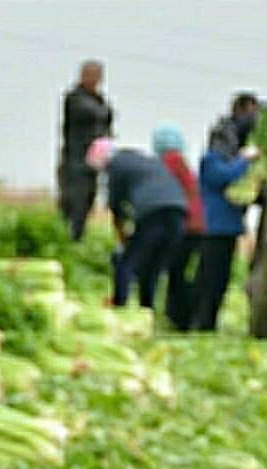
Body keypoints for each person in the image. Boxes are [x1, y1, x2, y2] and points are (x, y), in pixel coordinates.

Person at [86, 137, 187, 309]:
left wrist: (121, 234)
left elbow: (116, 202)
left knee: (127, 261)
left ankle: (119, 303)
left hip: (153, 212)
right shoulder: (141, 159)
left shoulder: (116, 165)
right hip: (178, 210)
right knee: (152, 265)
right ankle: (147, 308)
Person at [190, 95, 260, 332]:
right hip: (213, 227)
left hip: (228, 228)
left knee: (220, 279)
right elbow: (224, 177)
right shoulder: (211, 160)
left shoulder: (229, 159)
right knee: (208, 278)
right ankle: (199, 321)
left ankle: (208, 321)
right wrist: (245, 159)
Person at [152, 125, 205, 330]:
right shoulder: (182, 162)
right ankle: (179, 315)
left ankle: (180, 317)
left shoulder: (170, 161)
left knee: (176, 271)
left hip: (186, 224)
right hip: (197, 223)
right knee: (180, 271)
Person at [59, 60, 113, 241]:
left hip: (93, 163)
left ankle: (79, 238)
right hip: (75, 162)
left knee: (88, 202)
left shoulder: (99, 99)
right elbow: (97, 113)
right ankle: (69, 239)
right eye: (90, 75)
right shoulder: (75, 98)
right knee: (74, 204)